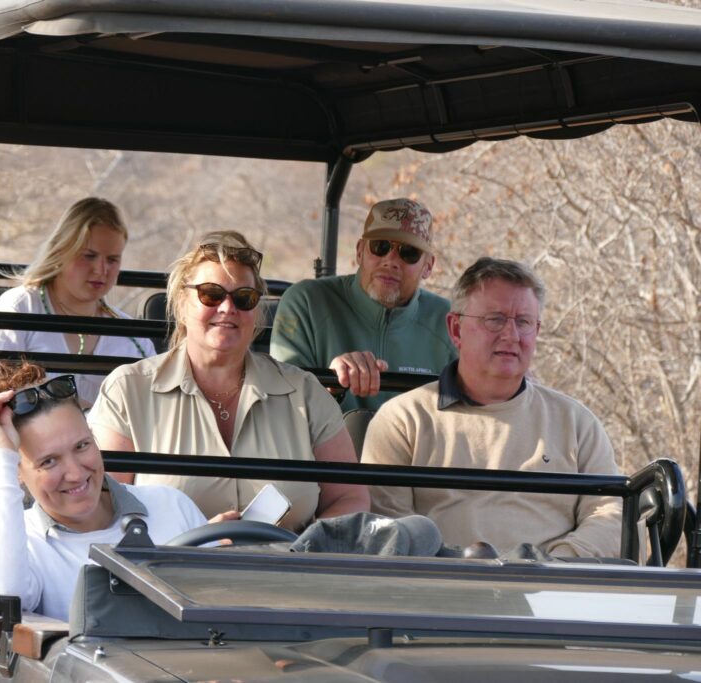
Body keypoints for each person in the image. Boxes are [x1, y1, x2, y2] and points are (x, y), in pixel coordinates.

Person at [90, 231, 369, 531]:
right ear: (182, 304)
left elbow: (350, 497)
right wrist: (191, 541)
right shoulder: (128, 390)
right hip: (167, 570)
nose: (227, 307)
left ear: (256, 311)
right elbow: (104, 506)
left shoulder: (305, 393)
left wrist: (305, 552)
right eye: (211, 294)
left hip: (289, 570)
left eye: (243, 298)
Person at [362, 257, 621, 558]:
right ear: (455, 328)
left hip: (550, 592)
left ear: (536, 331)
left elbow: (611, 513)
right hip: (438, 593)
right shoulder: (403, 420)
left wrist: (557, 566)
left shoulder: (576, 422)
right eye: (495, 319)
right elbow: (391, 533)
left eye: (523, 322)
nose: (511, 335)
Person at [0, 358, 213, 621]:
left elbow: (227, 601)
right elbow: (6, 599)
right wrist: (0, 457)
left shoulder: (171, 505)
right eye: (48, 461)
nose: (75, 474)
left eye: (82, 446)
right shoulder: (25, 542)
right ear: (17, 472)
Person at [271, 198, 455, 412]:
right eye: (380, 246)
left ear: (428, 266)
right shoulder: (307, 304)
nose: (391, 260)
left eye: (409, 252)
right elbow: (282, 403)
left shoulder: (450, 322)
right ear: (360, 251)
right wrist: (330, 387)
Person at [0, 197, 155, 405]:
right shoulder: (17, 309)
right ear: (61, 252)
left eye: (112, 260)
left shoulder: (134, 339)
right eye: (89, 256)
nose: (101, 270)